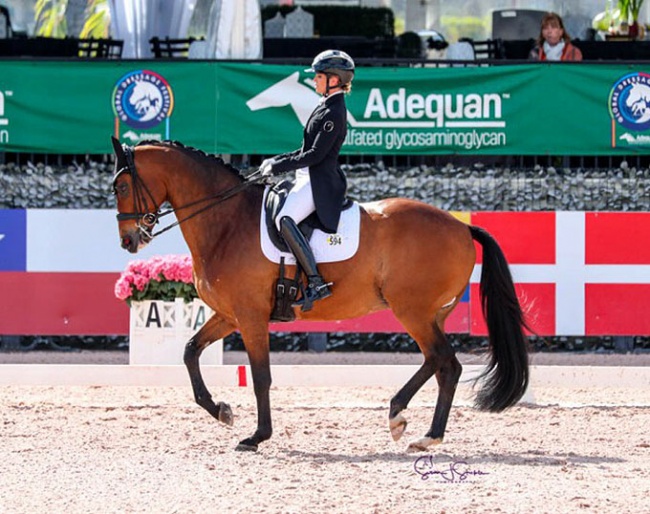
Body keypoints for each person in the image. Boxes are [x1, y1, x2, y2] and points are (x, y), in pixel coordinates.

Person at [260, 49, 354, 312]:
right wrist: (274, 161)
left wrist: (279, 165)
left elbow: (315, 156)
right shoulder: (325, 106)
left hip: (320, 182)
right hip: (306, 176)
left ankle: (316, 282)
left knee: (284, 219)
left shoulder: (335, 112)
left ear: (334, 79)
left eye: (319, 76)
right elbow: (304, 151)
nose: (314, 80)